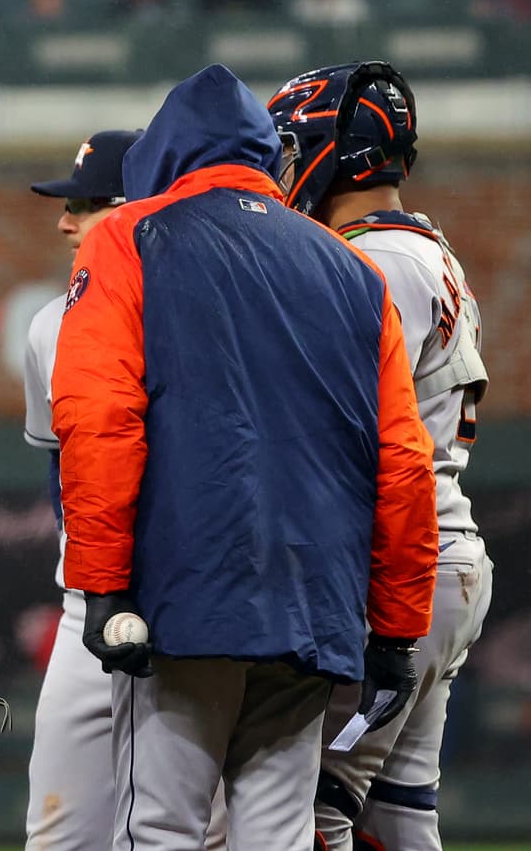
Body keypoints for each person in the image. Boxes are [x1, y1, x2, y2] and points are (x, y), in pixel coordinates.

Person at [51, 63, 439, 850]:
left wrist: (100, 583)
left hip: (182, 591)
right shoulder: (353, 268)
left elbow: (99, 418)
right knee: (280, 830)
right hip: (314, 597)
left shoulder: (129, 236)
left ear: (162, 158)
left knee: (159, 825)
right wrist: (398, 628)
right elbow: (403, 460)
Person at [270, 60, 495, 851]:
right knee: (399, 818)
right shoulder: (419, 248)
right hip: (441, 557)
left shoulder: (378, 262)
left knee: (308, 814)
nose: (287, 164)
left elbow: (346, 433)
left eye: (296, 145)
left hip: (400, 563)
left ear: (338, 149)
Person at [24, 128, 229, 851]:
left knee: (193, 832)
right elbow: (61, 473)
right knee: (57, 835)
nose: (64, 221)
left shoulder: (209, 312)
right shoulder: (51, 323)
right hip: (91, 605)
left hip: (192, 609)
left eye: (83, 204)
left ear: (135, 208)